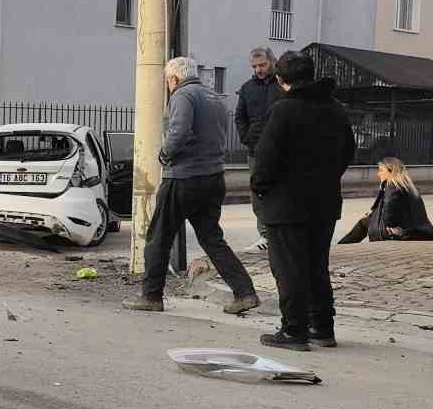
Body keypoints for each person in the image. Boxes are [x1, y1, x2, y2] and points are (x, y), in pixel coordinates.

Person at [124, 57, 260, 315]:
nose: (168, 85)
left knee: (158, 237)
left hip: (184, 177)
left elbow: (179, 131)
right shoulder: (213, 98)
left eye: (167, 80)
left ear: (173, 78)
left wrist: (164, 154)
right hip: (213, 177)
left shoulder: (182, 95)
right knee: (212, 238)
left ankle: (151, 296)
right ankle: (244, 292)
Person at [251, 50, 357, 351]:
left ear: (281, 79)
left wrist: (261, 188)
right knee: (316, 265)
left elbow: (265, 157)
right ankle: (322, 327)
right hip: (324, 201)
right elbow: (348, 150)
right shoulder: (335, 108)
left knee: (288, 268)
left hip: (286, 203)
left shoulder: (283, 109)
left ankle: (294, 330)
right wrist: (326, 177)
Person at [235, 46, 282, 251]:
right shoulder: (247, 88)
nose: (258, 69)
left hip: (280, 151)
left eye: (262, 64)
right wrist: (246, 138)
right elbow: (239, 117)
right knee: (258, 194)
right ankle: (265, 236)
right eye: (254, 66)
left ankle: (280, 234)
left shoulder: (283, 85)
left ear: (272, 61)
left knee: (280, 191)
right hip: (255, 151)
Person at [337, 157, 433, 244]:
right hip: (416, 230)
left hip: (400, 231)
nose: (378, 174)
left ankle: (341, 246)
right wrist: (372, 213)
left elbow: (389, 205)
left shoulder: (391, 185)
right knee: (365, 221)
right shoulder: (408, 186)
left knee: (363, 223)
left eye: (381, 170)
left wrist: (391, 225)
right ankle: (342, 245)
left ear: (391, 171)